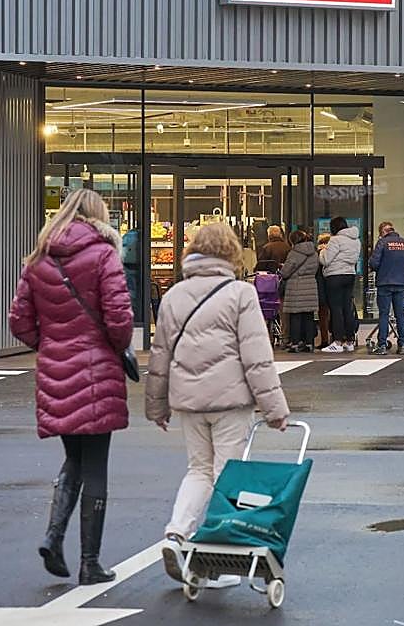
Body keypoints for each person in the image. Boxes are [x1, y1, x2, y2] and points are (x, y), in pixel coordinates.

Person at [145, 222, 290, 588]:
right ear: (230, 253)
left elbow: (160, 356)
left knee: (199, 470)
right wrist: (274, 409)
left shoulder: (175, 295)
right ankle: (219, 559)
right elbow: (257, 357)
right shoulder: (241, 294)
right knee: (228, 473)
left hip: (189, 401)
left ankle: (177, 532)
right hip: (230, 400)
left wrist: (157, 407)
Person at [8, 189, 134, 586]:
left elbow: (19, 321)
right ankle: (90, 562)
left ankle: (53, 536)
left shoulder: (39, 259)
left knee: (73, 459)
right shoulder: (103, 254)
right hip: (96, 370)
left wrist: (49, 345)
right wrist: (115, 346)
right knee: (95, 464)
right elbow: (118, 319)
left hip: (55, 370)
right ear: (98, 215)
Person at [369, 221, 404, 355]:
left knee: (384, 314)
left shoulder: (382, 243)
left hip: (385, 283)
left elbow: (374, 263)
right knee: (400, 314)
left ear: (383, 232)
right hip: (401, 283)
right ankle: (403, 344)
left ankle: (382, 345)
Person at [319, 217, 360, 352]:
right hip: (350, 275)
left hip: (334, 276)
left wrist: (323, 250)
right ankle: (350, 340)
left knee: (336, 309)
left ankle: (337, 342)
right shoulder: (356, 240)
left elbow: (326, 260)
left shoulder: (335, 240)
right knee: (347, 308)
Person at [280, 230, 320, 353]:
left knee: (295, 316)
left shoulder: (294, 252)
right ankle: (309, 343)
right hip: (311, 285)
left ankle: (296, 343)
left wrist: (282, 270)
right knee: (308, 316)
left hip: (296, 286)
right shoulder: (314, 252)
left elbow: (286, 271)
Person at [315, 233, 331, 348]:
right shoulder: (334, 253)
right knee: (335, 312)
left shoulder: (316, 254)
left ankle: (324, 340)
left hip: (320, 287)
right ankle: (336, 337)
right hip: (332, 285)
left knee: (323, 315)